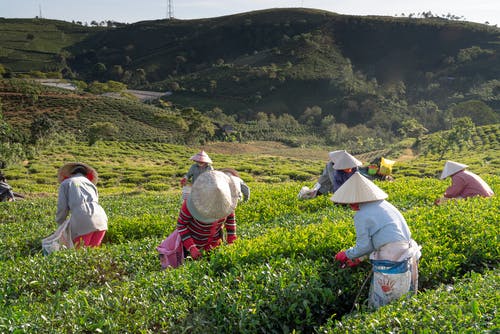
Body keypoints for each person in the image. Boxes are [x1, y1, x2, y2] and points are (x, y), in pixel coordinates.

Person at [331, 172, 421, 309]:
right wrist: (359, 259)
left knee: (386, 301)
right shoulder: (385, 205)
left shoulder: (361, 215)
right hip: (406, 252)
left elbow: (365, 246)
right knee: (403, 300)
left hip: (392, 257)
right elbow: (381, 238)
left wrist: (346, 254)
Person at [177, 170, 240, 260]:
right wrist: (191, 247)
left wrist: (231, 242)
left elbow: (230, 222)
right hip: (191, 245)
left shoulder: (227, 202)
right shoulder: (189, 204)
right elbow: (181, 225)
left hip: (214, 245)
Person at [56, 162, 108, 248]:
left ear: (71, 174)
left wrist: (60, 223)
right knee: (91, 254)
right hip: (101, 218)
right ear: (86, 174)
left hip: (83, 218)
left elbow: (62, 207)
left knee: (79, 254)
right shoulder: (91, 184)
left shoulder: (66, 183)